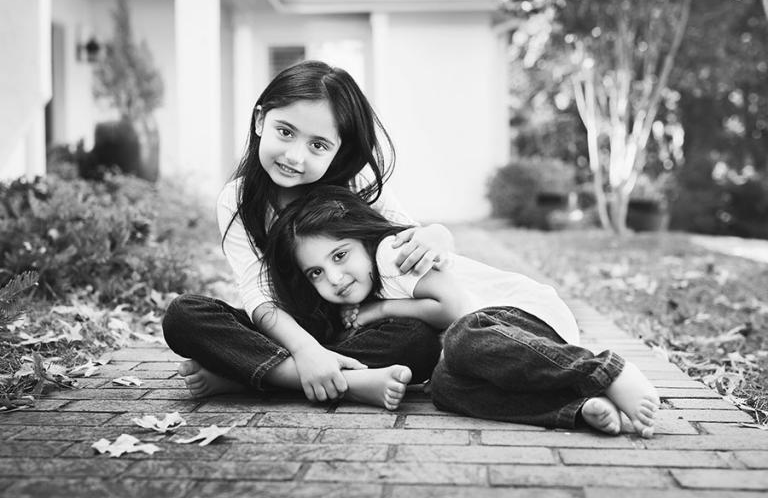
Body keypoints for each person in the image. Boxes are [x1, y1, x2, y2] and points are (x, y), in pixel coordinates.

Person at [264, 185, 661, 437]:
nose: (334, 277)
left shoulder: (392, 254)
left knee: (462, 338)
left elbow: (453, 309)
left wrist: (379, 309)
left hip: (520, 317)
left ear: (363, 240)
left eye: (340, 255)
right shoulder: (358, 282)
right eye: (316, 272)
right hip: (492, 348)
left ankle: (605, 371)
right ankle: (573, 406)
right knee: (446, 387)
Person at [162, 61, 449, 407]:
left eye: (318, 146)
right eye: (285, 132)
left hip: (352, 326)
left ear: (338, 150)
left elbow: (408, 235)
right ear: (259, 121)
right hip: (284, 331)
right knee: (184, 316)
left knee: (418, 342)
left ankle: (251, 375)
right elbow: (257, 294)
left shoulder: (357, 184)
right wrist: (305, 350)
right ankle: (348, 382)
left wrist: (437, 235)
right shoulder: (239, 200)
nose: (295, 156)